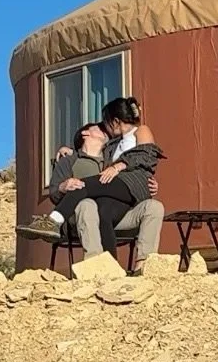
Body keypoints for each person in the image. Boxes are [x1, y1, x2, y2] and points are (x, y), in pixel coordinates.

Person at [25, 99, 165, 269]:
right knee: (103, 214)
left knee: (83, 186)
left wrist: (119, 166)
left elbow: (148, 153)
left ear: (115, 121)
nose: (105, 130)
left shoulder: (140, 130)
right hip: (116, 191)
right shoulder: (112, 145)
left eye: (105, 124)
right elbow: (90, 152)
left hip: (132, 182)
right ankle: (111, 267)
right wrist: (70, 151)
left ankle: (53, 220)